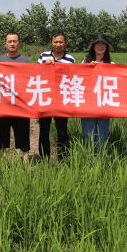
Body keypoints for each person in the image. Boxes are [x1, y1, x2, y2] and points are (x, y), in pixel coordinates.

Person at [0, 32, 31, 164]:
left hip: (20, 104)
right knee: (1, 132)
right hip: (3, 104)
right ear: (5, 44)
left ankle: (25, 158)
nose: (12, 44)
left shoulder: (26, 61)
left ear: (19, 44)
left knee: (23, 131)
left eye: (15, 41)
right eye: (10, 41)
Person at [37, 32, 75, 161]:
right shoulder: (43, 56)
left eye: (61, 42)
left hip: (62, 99)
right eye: (55, 42)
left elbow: (73, 78)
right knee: (44, 129)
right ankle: (44, 157)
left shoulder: (70, 59)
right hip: (45, 98)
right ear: (51, 42)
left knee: (62, 129)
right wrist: (45, 66)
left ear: (65, 43)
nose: (58, 44)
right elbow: (36, 75)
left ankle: (63, 158)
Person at [81, 34, 114, 157]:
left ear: (106, 47)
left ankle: (102, 159)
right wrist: (88, 68)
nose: (100, 47)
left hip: (104, 102)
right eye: (98, 44)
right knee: (89, 132)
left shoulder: (111, 64)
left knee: (102, 132)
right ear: (93, 47)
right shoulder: (85, 62)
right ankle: (91, 159)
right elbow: (78, 78)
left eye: (103, 44)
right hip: (88, 103)